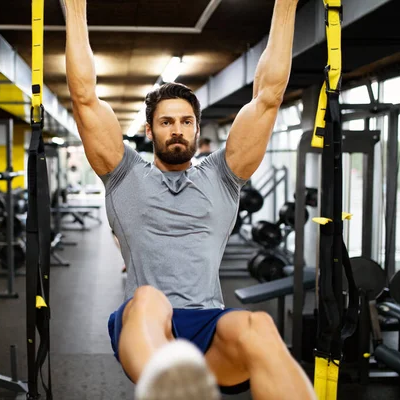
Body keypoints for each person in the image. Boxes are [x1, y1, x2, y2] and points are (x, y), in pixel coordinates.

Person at [65, 1, 315, 399]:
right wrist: (74, 11)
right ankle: (172, 387)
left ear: (198, 128)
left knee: (260, 328)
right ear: (150, 130)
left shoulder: (223, 175)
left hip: (209, 323)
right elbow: (84, 97)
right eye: (166, 122)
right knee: (150, 299)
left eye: (185, 122)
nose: (177, 130)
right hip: (145, 327)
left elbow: (268, 95)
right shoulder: (123, 173)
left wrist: (285, 6)